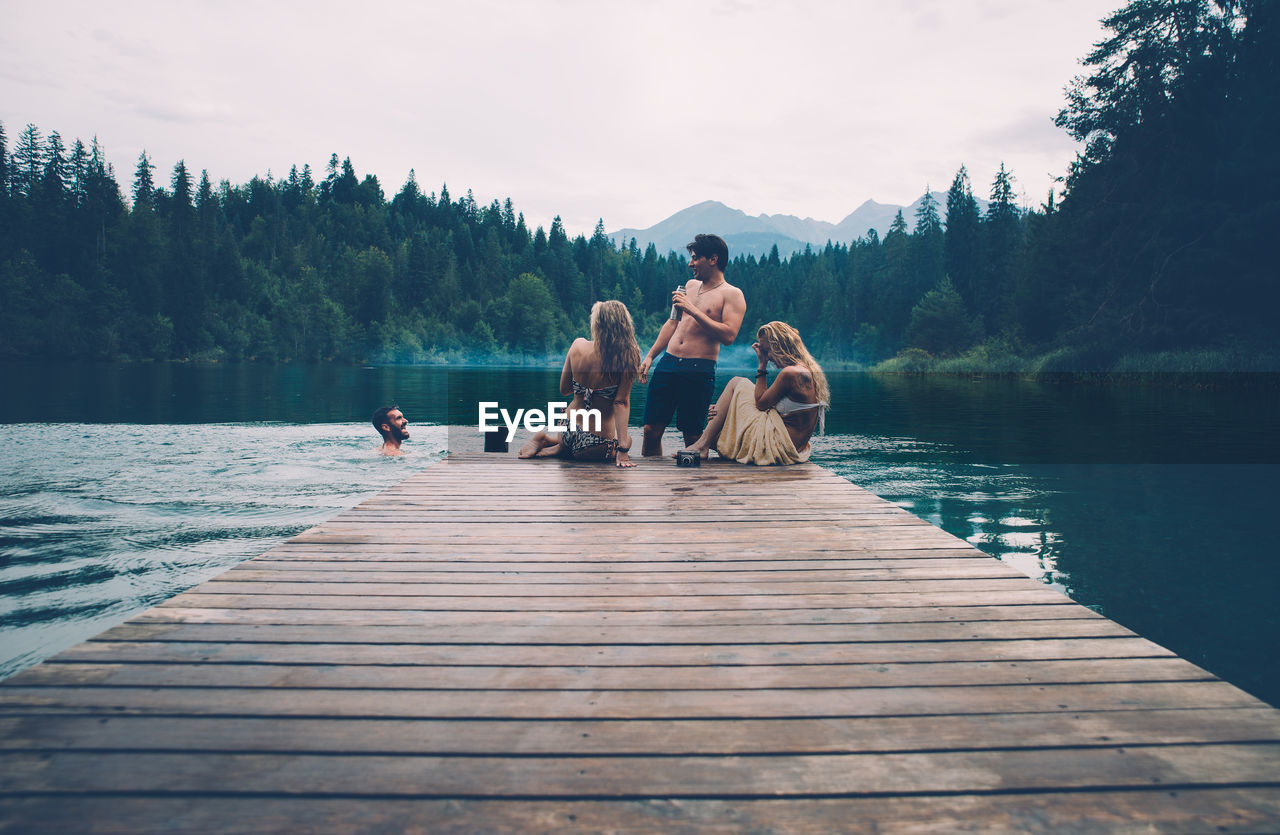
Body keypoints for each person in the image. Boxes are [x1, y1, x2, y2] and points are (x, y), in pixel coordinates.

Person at [639, 233, 747, 457]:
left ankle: (694, 489)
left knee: (692, 436)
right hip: (668, 362)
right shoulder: (689, 286)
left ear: (713, 259)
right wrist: (650, 356)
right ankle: (653, 483)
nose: (691, 263)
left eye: (696, 258)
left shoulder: (732, 294)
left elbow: (729, 336)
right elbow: (672, 323)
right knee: (650, 430)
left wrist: (693, 310)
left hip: (699, 368)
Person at [680, 321, 829, 465]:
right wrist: (727, 409)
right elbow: (767, 405)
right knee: (721, 419)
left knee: (737, 382)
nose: (767, 356)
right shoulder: (807, 369)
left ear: (778, 347)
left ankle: (702, 445)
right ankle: (704, 442)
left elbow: (761, 403)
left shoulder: (790, 373)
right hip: (793, 448)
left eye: (766, 351)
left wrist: (762, 364)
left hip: (777, 447)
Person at [517, 299, 641, 467]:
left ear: (597, 323)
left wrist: (584, 389)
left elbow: (564, 389)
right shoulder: (627, 356)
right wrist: (623, 449)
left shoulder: (577, 345)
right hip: (595, 442)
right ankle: (560, 448)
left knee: (572, 444)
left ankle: (553, 444)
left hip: (566, 430)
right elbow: (621, 403)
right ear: (624, 325)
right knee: (627, 439)